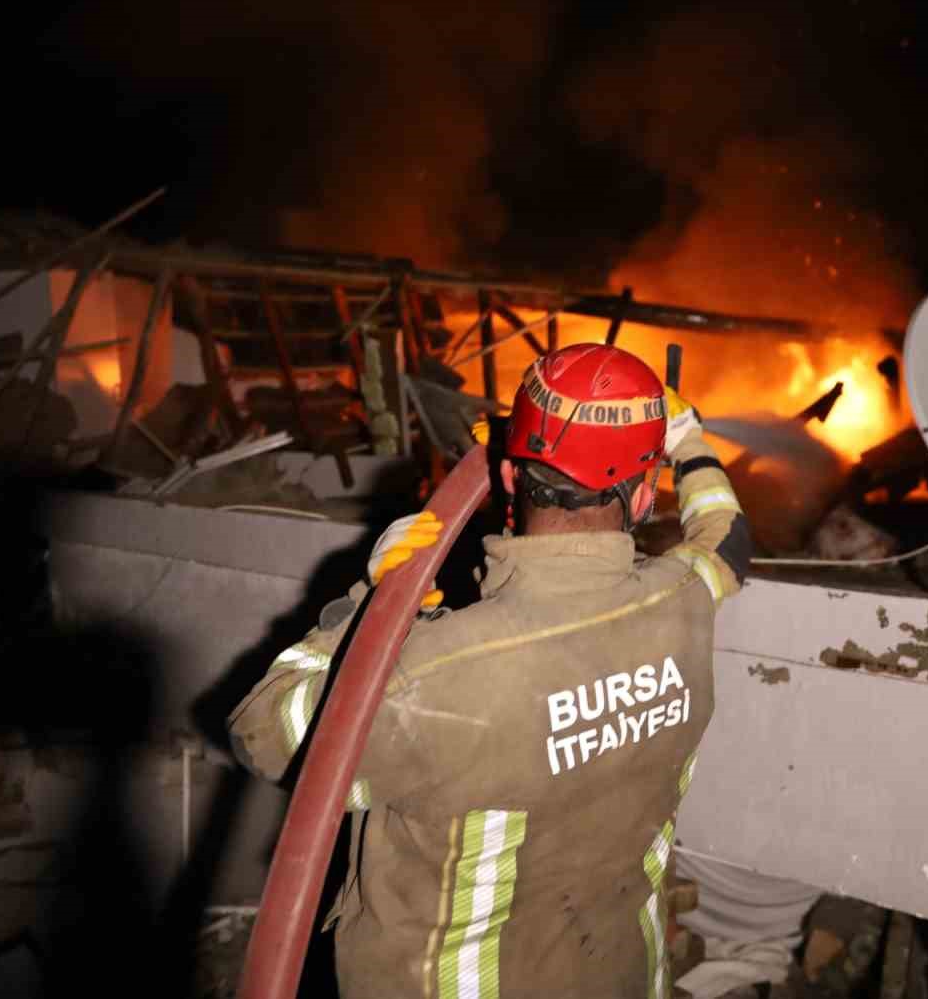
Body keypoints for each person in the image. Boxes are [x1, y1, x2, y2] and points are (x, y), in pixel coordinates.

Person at [229, 343, 751, 999]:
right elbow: (727, 534)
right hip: (620, 975)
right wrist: (688, 437)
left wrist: (370, 601)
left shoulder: (433, 673)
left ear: (509, 478)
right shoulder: (686, 599)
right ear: (644, 494)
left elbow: (264, 735)